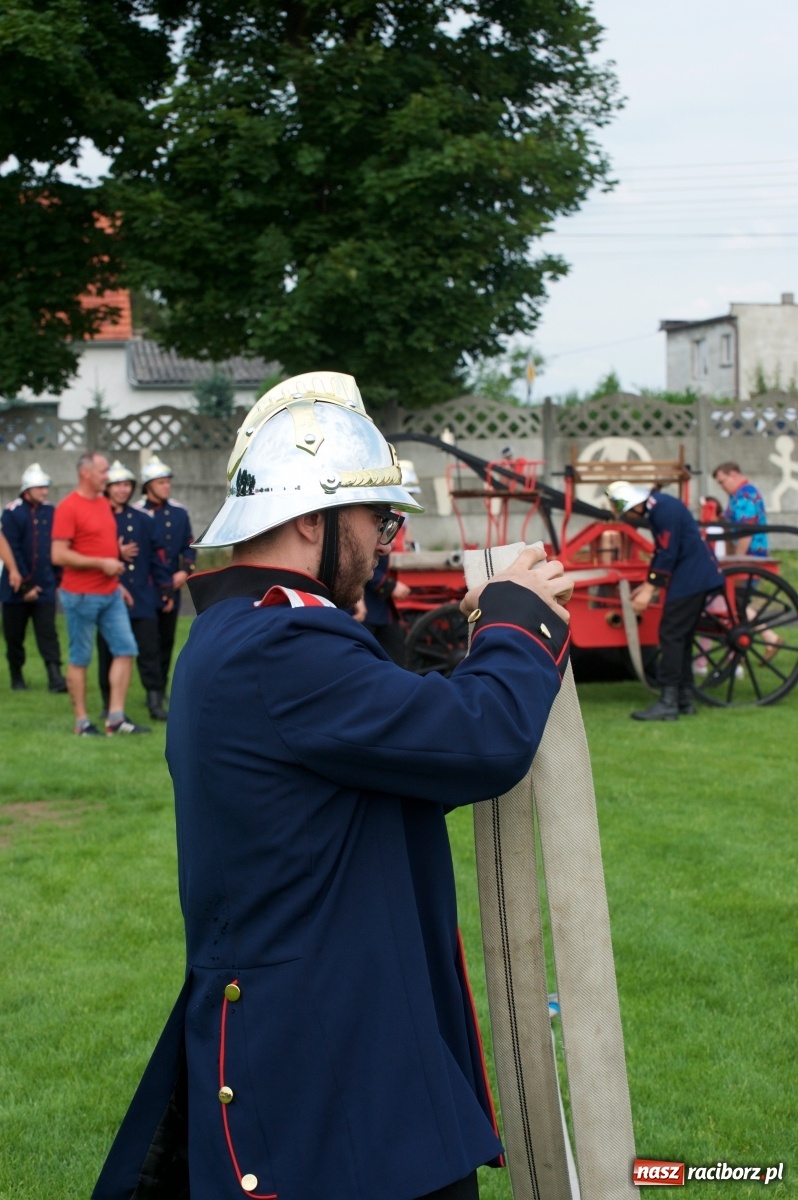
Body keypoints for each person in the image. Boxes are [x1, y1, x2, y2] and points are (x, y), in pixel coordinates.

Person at [93, 370, 574, 1200]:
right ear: (311, 517)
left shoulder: (245, 632)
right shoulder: (282, 646)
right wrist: (516, 614)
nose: (389, 535)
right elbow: (482, 739)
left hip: (327, 1045)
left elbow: (393, 759)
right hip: (333, 1078)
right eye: (378, 515)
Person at [606, 481, 724, 721]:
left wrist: (649, 589)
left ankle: (668, 703)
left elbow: (667, 553)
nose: (628, 517)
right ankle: (684, 700)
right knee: (682, 637)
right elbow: (664, 552)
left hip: (691, 578)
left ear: (635, 506)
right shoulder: (661, 506)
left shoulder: (662, 510)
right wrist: (647, 585)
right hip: (693, 577)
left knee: (671, 635)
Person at [51, 452, 149, 736]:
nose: (108, 476)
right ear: (86, 473)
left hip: (110, 593)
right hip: (81, 595)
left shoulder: (103, 504)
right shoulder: (69, 507)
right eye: (104, 471)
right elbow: (58, 554)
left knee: (126, 649)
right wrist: (102, 564)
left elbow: (99, 547)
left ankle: (115, 719)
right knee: (80, 657)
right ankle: (82, 723)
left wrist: (116, 582)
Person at [97, 461, 175, 721]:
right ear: (107, 488)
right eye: (117, 485)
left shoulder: (143, 519)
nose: (122, 490)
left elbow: (157, 556)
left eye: (126, 485)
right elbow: (88, 554)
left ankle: (154, 701)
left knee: (149, 650)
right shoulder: (98, 518)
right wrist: (114, 553)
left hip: (142, 596)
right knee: (108, 651)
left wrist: (165, 590)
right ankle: (109, 704)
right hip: (108, 595)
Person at [0, 463, 67, 692]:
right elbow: (12, 548)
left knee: (48, 633)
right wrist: (25, 585)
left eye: (46, 487)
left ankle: (55, 676)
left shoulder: (51, 511)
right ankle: (16, 676)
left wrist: (58, 579)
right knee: (14, 635)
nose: (45, 492)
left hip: (46, 585)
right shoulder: (12, 512)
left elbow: (56, 546)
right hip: (15, 586)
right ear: (27, 489)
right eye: (40, 488)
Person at [138, 455, 196, 692]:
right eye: (161, 482)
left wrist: (184, 572)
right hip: (146, 585)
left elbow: (189, 545)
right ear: (148, 485)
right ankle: (152, 689)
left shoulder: (180, 512)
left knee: (167, 638)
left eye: (168, 482)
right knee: (148, 641)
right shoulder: (137, 513)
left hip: (173, 582)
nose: (166, 486)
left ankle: (160, 688)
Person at [711, 462, 768, 556]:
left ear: (733, 474)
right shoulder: (737, 495)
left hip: (750, 556)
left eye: (722, 482)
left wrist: (738, 559)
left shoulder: (744, 495)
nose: (721, 487)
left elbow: (746, 532)